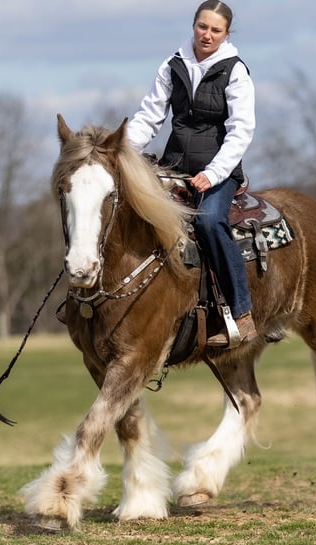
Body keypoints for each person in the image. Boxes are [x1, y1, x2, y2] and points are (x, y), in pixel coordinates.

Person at [126, 0, 258, 347]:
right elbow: (149, 116)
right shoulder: (173, 65)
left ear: (227, 34)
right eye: (203, 27)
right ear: (193, 26)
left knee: (209, 222)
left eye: (216, 30)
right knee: (131, 209)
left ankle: (240, 312)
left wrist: (213, 175)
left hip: (219, 170)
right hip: (175, 166)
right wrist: (120, 148)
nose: (207, 35)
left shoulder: (234, 71)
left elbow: (241, 130)